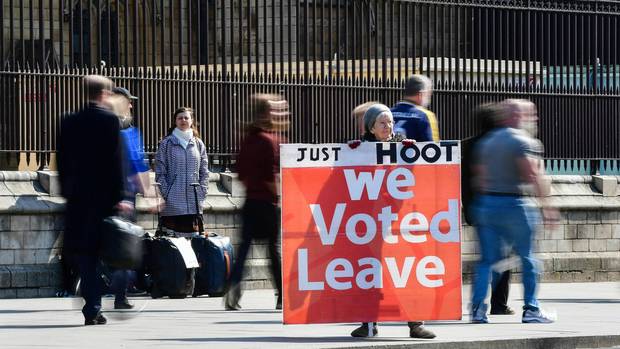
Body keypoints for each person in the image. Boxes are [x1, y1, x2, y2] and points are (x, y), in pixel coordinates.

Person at [347, 103, 436, 339]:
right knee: (371, 272)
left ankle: (416, 323)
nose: (388, 126)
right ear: (371, 128)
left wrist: (414, 152)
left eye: (390, 122)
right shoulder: (361, 149)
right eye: (382, 123)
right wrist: (349, 154)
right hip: (371, 221)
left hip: (399, 219)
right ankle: (369, 323)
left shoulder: (403, 146)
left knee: (405, 270)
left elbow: (417, 175)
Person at [470, 99, 558, 324]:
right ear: (518, 116)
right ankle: (531, 309)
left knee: (487, 261)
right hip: (515, 204)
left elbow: (479, 177)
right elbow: (532, 175)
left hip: (487, 204)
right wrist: (547, 206)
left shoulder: (486, 143)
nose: (534, 119)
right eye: (530, 114)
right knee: (528, 258)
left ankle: (478, 310)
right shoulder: (523, 141)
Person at [57, 75, 129, 326]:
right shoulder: (110, 121)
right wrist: (120, 196)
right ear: (104, 94)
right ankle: (105, 300)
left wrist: (67, 192)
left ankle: (92, 306)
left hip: (78, 200)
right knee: (107, 252)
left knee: (87, 255)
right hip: (104, 199)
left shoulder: (68, 121)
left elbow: (62, 161)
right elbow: (115, 163)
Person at [224, 94, 289, 311]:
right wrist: (279, 196)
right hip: (269, 203)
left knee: (243, 250)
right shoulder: (271, 140)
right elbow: (273, 175)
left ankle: (234, 286)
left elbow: (241, 172)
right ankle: (281, 294)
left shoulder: (247, 139)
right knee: (273, 250)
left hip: (250, 201)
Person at [461, 103, 514, 316]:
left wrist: (468, 208)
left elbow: (464, 181)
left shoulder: (468, 145)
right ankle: (499, 304)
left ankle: (478, 304)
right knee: (504, 257)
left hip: (476, 208)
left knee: (485, 257)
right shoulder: (499, 144)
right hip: (499, 206)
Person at [155, 107, 209, 235]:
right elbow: (160, 171)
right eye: (180, 118)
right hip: (172, 202)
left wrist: (202, 191)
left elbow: (204, 171)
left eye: (186, 117)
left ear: (192, 121)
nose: (183, 120)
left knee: (193, 245)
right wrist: (166, 193)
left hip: (194, 201)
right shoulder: (166, 143)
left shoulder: (198, 143)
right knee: (172, 245)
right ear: (175, 121)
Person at [391, 74, 439, 142]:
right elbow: (432, 148)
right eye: (428, 94)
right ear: (421, 94)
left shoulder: (388, 113)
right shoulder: (425, 115)